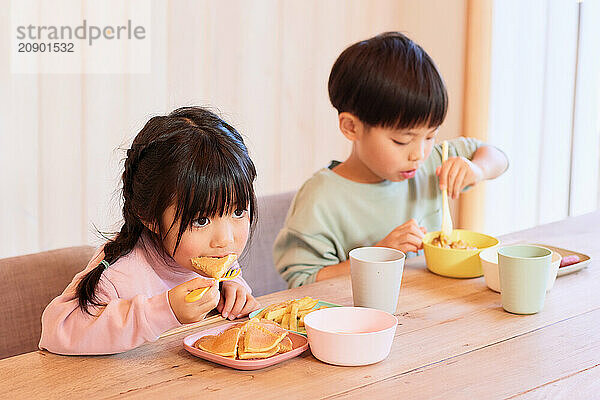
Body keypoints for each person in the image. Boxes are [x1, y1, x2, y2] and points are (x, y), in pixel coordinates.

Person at [273, 32, 508, 288]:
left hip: (431, 310)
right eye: (402, 141)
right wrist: (377, 256)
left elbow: (496, 156)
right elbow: (302, 281)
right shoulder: (320, 197)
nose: (418, 154)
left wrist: (477, 169)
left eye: (430, 136)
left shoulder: (433, 164)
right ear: (352, 127)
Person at [40, 107, 260, 354]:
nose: (226, 239)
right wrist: (163, 310)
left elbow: (229, 278)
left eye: (238, 212)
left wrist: (233, 289)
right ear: (150, 218)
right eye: (200, 220)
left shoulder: (210, 256)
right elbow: (56, 331)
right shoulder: (119, 273)